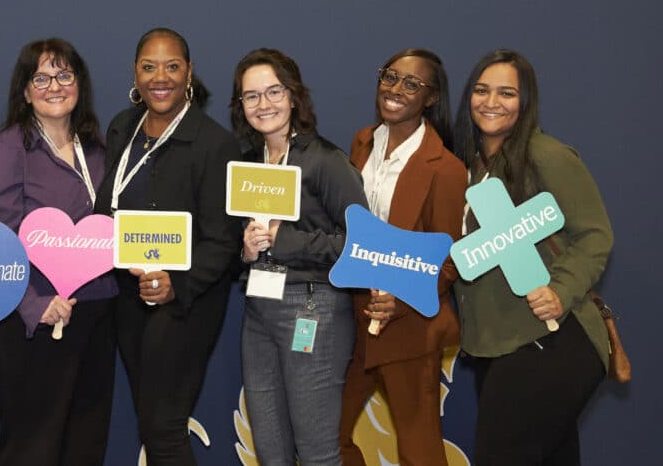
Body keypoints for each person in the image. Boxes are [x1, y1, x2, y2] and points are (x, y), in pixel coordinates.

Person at [453, 49, 612, 466]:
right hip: (496, 344)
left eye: (507, 93)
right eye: (482, 90)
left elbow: (595, 236)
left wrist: (561, 290)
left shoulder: (549, 157)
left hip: (553, 339)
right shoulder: (464, 168)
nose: (491, 102)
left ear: (526, 102)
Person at [94, 27, 241, 465]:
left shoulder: (216, 143)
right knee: (149, 419)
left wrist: (176, 283)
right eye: (149, 66)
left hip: (184, 304)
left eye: (173, 66)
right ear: (135, 74)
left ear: (190, 72)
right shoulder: (122, 128)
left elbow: (223, 239)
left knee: (164, 425)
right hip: (129, 296)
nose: (161, 77)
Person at [0, 38, 116, 465]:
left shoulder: (97, 149)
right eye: (41, 77)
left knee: (86, 442)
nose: (54, 86)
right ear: (24, 90)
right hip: (33, 323)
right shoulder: (7, 150)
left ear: (80, 84)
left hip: (96, 312)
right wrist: (33, 305)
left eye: (64, 75)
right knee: (33, 448)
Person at [231, 48, 367, 466]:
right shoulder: (249, 162)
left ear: (293, 96)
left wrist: (286, 240)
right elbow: (251, 242)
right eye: (251, 96)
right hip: (258, 310)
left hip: (313, 310)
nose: (263, 104)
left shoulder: (325, 160)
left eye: (273, 91)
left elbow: (361, 245)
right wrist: (248, 248)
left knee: (317, 453)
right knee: (270, 450)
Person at [338, 49, 467, 466]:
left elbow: (448, 260)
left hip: (407, 326)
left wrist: (402, 298)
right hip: (353, 319)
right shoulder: (361, 142)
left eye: (411, 83)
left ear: (431, 98)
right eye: (390, 77)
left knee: (419, 452)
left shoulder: (445, 168)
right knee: (325, 438)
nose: (395, 89)